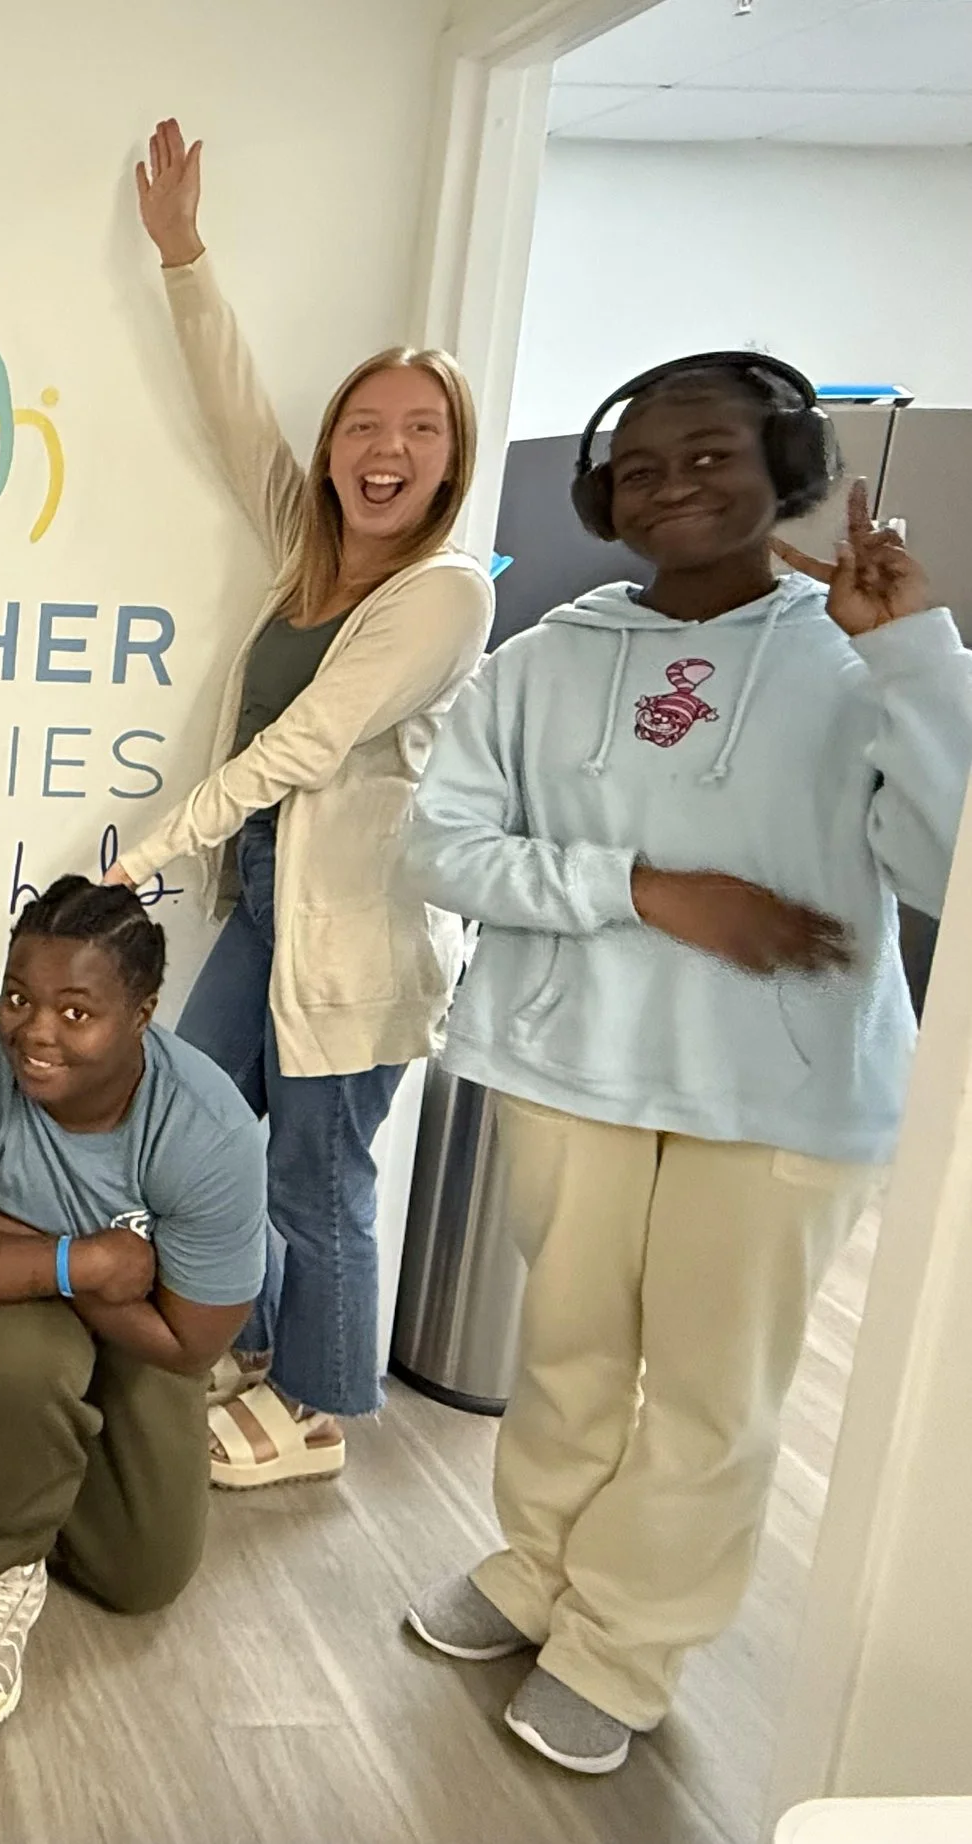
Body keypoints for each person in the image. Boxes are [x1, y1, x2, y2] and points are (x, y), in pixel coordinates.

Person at [401, 352, 970, 1775]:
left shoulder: (863, 657)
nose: (673, 486)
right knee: (570, 1356)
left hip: (778, 1091)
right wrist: (648, 888)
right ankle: (539, 1572)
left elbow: (950, 861)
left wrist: (913, 654)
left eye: (711, 455)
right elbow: (440, 846)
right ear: (605, 490)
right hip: (570, 1066)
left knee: (716, 1394)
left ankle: (625, 1643)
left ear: (789, 467)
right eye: (643, 465)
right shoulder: (540, 662)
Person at [111, 119, 492, 1490]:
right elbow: (234, 413)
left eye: (421, 431)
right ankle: (257, 1342)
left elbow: (310, 743)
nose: (385, 451)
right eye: (363, 426)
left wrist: (142, 856)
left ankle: (320, 1410)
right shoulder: (307, 550)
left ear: (450, 461)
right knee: (206, 1120)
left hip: (358, 935)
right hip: (273, 904)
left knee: (315, 1178)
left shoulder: (443, 595)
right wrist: (183, 258)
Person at [0, 879, 268, 1726]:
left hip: (143, 1330)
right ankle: (0, 1562)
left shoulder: (208, 1130)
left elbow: (188, 1345)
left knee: (144, 1576)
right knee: (23, 1362)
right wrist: (82, 1261)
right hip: (40, 1305)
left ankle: (15, 1446)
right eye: (18, 996)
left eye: (76, 1011)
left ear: (142, 1013)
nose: (34, 1031)